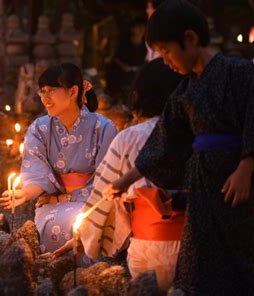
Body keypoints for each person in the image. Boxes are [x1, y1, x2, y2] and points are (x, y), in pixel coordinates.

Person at [103, 0, 254, 294]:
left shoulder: (240, 72)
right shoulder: (185, 91)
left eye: (166, 51)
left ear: (190, 38)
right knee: (198, 261)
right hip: (202, 185)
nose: (164, 60)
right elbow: (166, 141)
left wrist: (246, 166)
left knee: (242, 256)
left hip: (238, 180)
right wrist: (125, 180)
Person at [54, 59, 184, 292]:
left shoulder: (129, 138)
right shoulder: (201, 134)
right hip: (199, 246)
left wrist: (83, 236)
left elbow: (103, 200)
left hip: (150, 248)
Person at [0, 63, 117, 258]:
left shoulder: (104, 128)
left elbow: (107, 180)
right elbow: (36, 171)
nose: (45, 99)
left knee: (84, 223)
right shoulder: (39, 128)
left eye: (51, 91)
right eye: (42, 92)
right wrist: (25, 193)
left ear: (73, 91)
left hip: (93, 202)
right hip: (52, 204)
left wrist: (66, 198)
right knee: (54, 223)